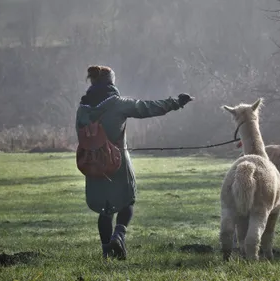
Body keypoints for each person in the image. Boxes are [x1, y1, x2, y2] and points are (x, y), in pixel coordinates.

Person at [76, 65, 193, 260]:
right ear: (111, 83)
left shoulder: (82, 108)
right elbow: (147, 108)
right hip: (117, 162)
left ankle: (106, 254)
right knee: (127, 200)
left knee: (105, 210)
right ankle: (118, 235)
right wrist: (176, 102)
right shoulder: (118, 103)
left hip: (92, 164)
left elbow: (82, 135)